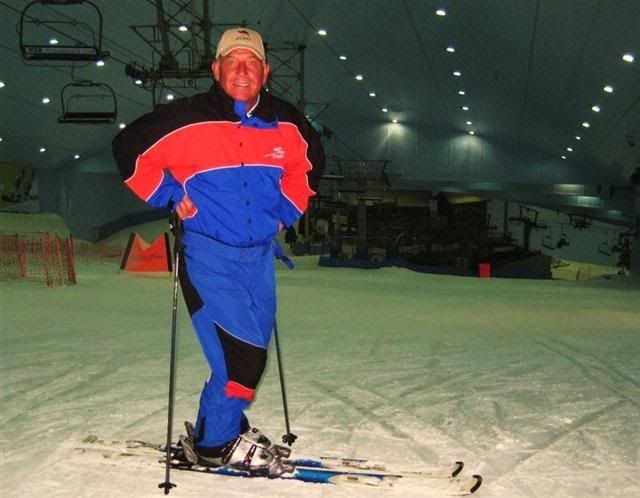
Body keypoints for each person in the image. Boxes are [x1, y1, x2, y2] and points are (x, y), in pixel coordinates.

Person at [112, 27, 325, 475]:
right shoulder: (183, 117)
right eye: (232, 62)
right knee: (243, 356)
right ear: (216, 69)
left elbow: (308, 165)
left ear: (265, 70)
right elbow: (128, 149)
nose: (242, 71)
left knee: (246, 352)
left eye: (251, 62)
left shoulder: (287, 121)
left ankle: (219, 423)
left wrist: (285, 211)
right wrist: (169, 193)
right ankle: (215, 444)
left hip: (259, 258)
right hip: (208, 256)